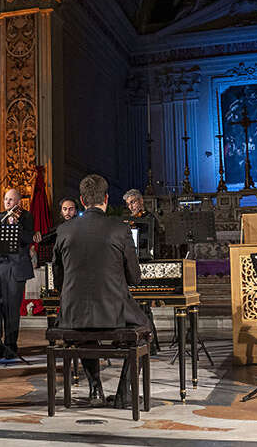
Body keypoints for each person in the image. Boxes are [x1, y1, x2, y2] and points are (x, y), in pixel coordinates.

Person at [53, 174, 150, 407]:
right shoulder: (119, 228)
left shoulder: (64, 230)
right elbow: (134, 278)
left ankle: (95, 386)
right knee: (146, 328)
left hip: (73, 314)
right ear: (106, 199)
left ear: (82, 200)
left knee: (87, 328)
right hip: (112, 311)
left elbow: (58, 281)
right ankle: (123, 393)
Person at [0, 188, 34, 359]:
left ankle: (10, 346)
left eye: (11, 199)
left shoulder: (26, 217)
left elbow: (28, 239)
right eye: (6, 199)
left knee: (12, 309)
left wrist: (15, 226)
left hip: (17, 268)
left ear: (18, 202)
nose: (7, 202)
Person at [123, 188, 160, 259]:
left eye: (132, 202)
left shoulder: (149, 218)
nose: (130, 207)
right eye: (128, 204)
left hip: (147, 258)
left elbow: (144, 242)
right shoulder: (132, 219)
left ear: (141, 201)